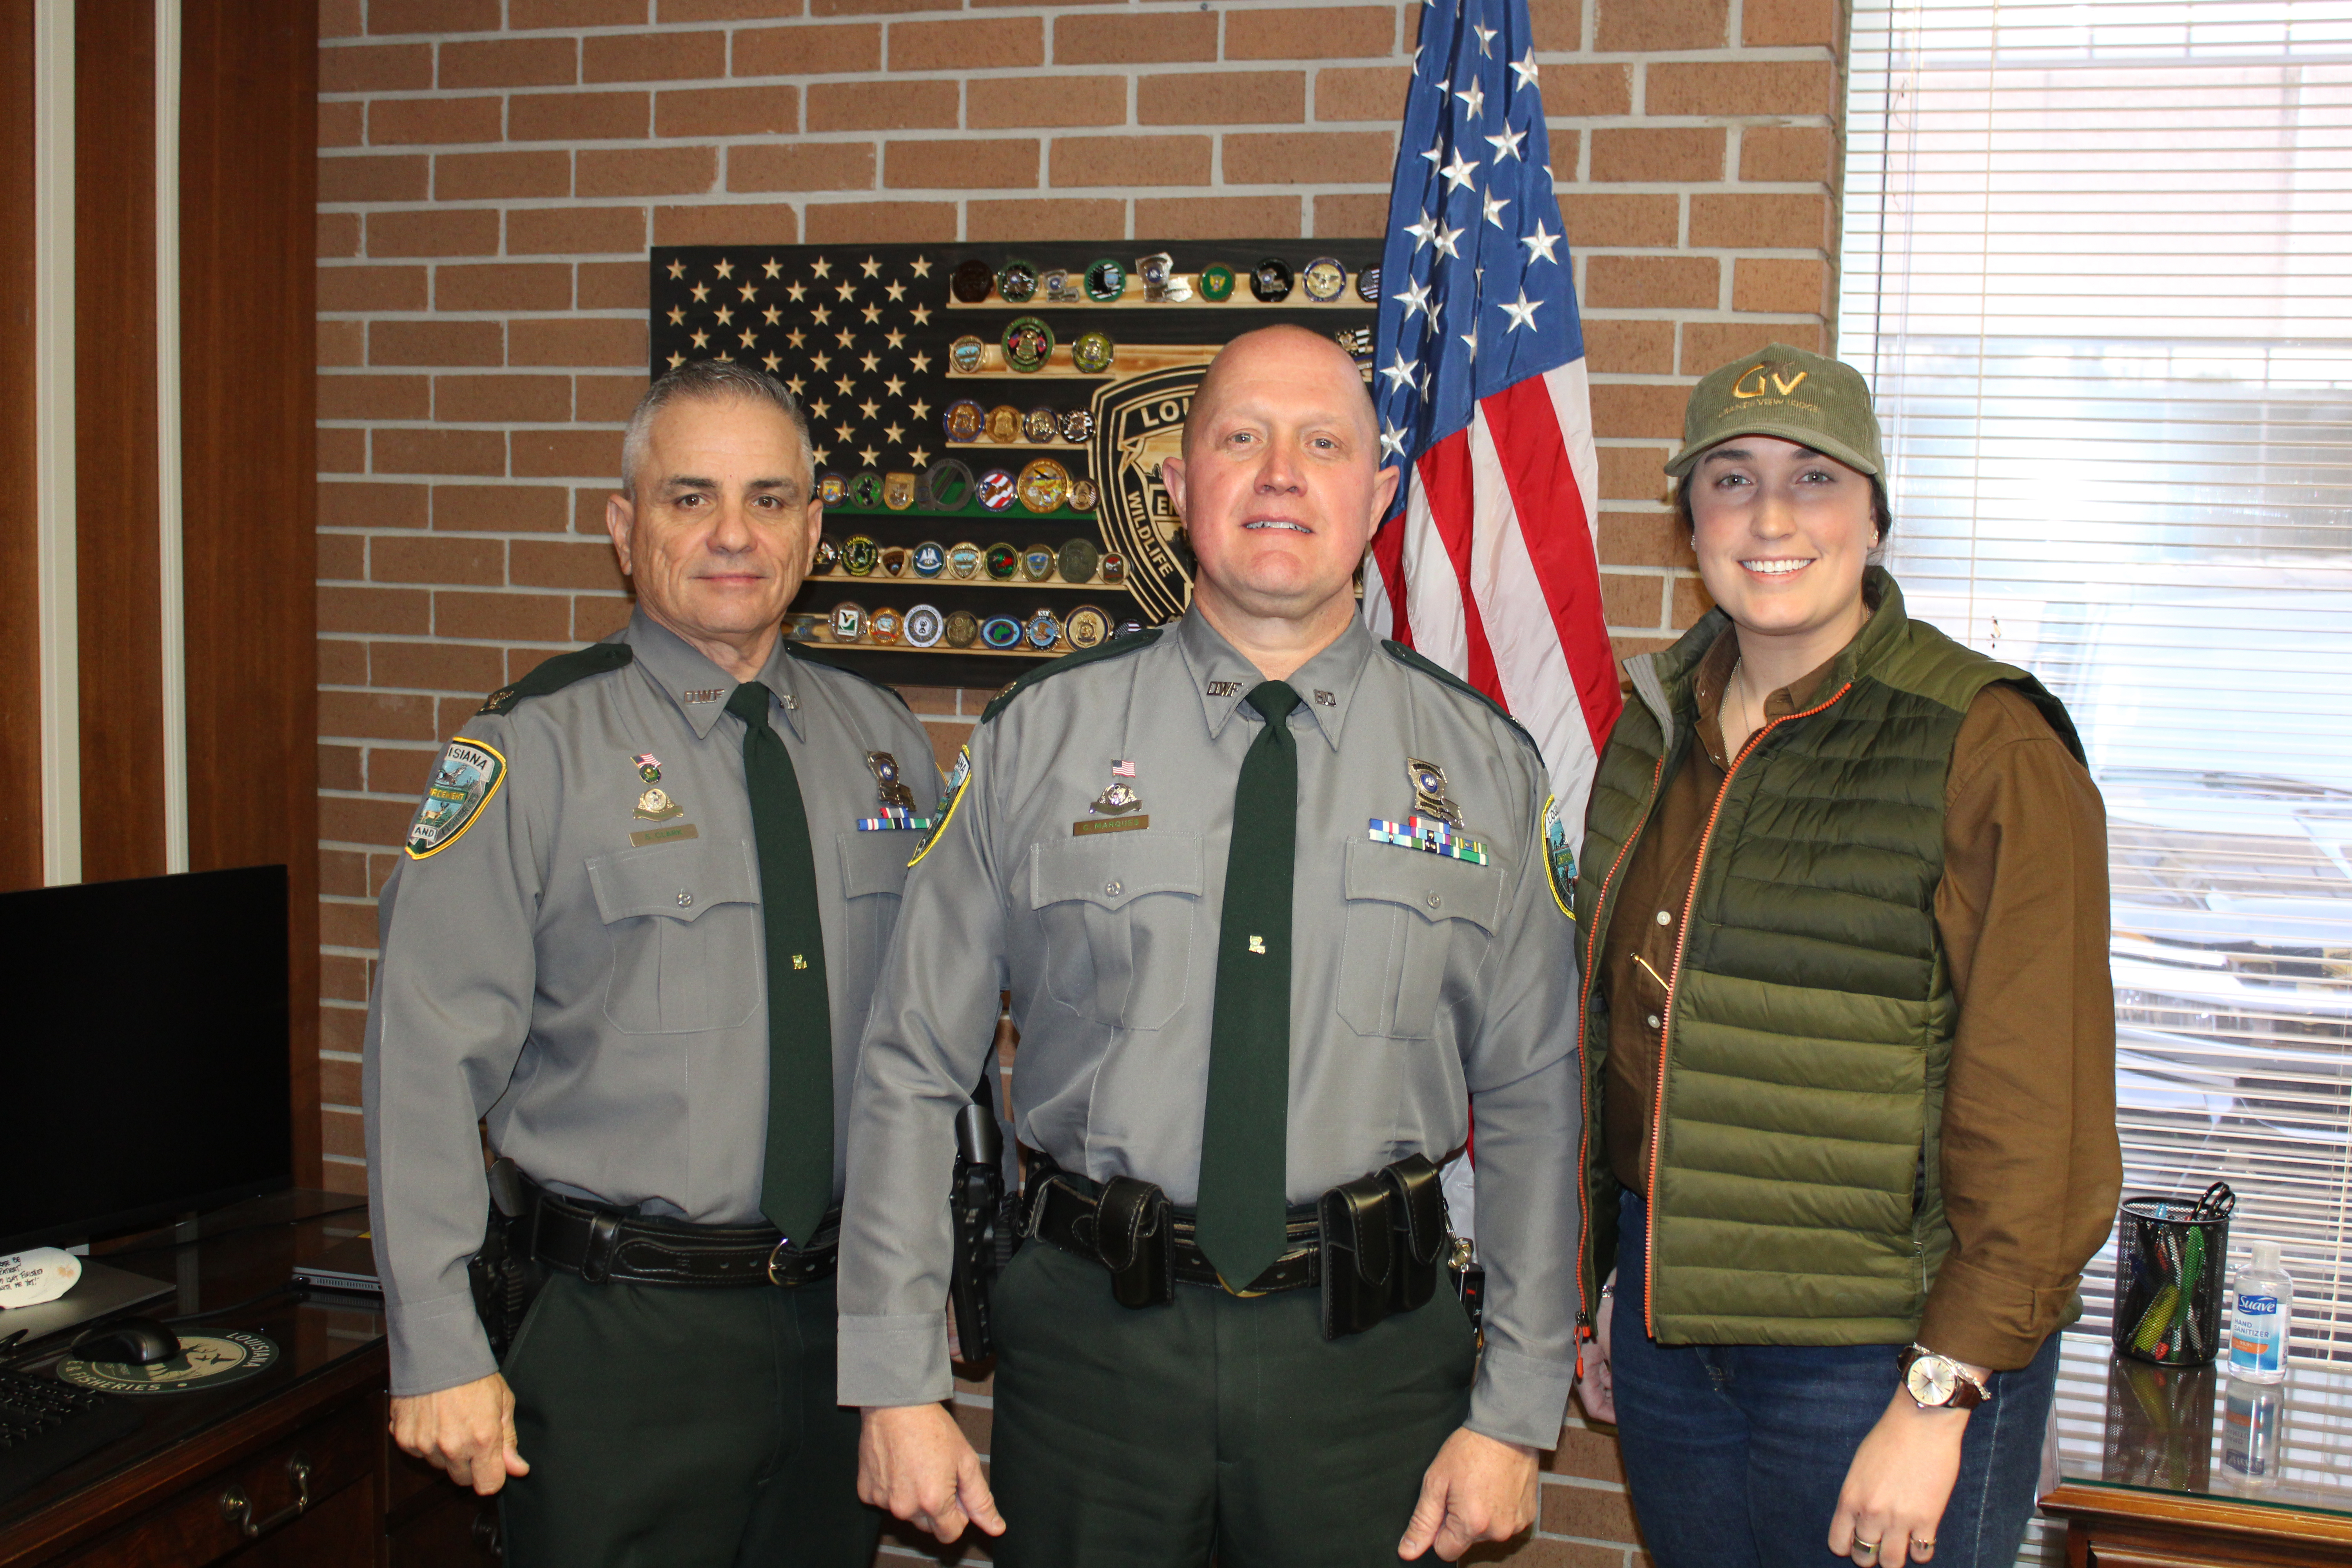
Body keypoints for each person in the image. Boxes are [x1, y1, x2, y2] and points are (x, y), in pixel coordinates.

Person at [837, 324, 1584, 1566]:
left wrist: (1515, 1409)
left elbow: (1534, 1105)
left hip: (1373, 1376)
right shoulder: (1040, 743)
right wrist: (897, 1380)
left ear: (1379, 492)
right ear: (1179, 488)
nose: (1281, 472)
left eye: (1324, 442)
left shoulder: (1487, 769)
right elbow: (913, 1066)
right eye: (1241, 437)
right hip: (1094, 1369)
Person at [363, 360, 935, 1566]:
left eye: (771, 500)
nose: (735, 533)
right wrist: (439, 1345)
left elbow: (926, 1052)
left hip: (836, 1333)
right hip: (620, 1337)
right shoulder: (532, 751)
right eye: (690, 499)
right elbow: (420, 1061)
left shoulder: (884, 745)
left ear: (814, 529)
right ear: (625, 530)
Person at [1569, 344, 2122, 1568]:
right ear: (1690, 521)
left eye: (1815, 477)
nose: (1771, 516)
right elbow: (1616, 1032)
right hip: (1673, 1347)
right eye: (1730, 478)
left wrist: (1940, 1397)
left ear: (1875, 514)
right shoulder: (1650, 729)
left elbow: (2048, 1117)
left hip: (1881, 1361)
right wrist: (1611, 1277)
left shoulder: (1987, 742)